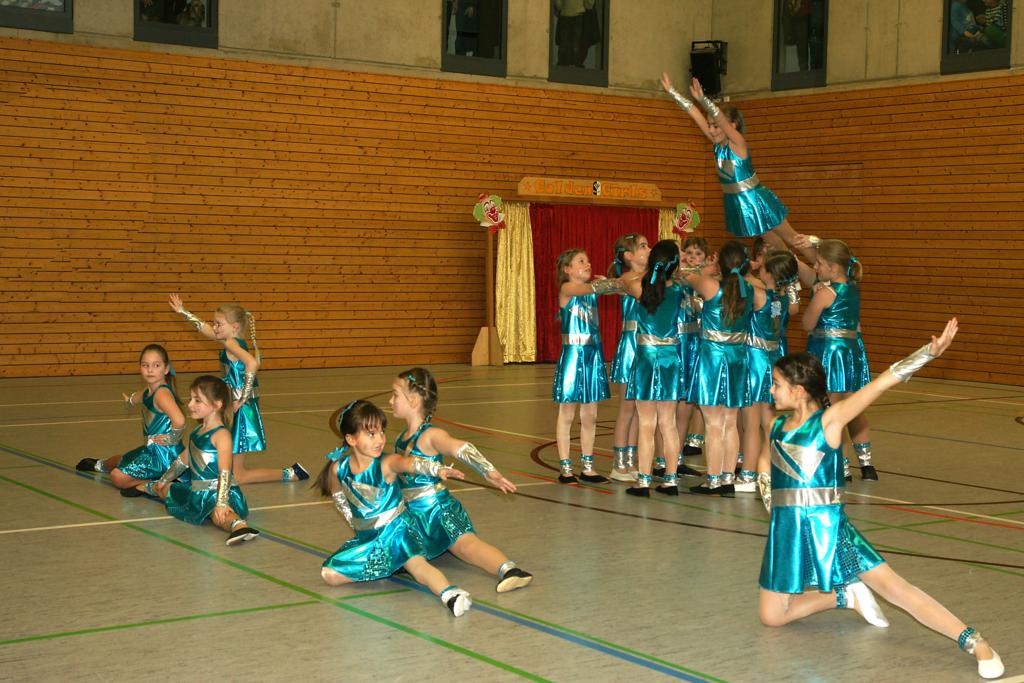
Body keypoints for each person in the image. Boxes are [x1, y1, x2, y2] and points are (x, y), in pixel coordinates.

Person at [758, 320, 1004, 680]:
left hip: (829, 528)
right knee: (771, 616)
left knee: (895, 589)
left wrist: (928, 354)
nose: (771, 390)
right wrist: (770, 498)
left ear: (798, 390)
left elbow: (882, 383)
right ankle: (845, 596)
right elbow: (766, 461)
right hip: (786, 529)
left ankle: (975, 641)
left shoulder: (829, 421)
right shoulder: (776, 425)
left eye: (777, 384)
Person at [314, 400, 473, 616]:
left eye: (382, 432)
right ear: (351, 439)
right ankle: (392, 564)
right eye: (371, 434)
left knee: (418, 566)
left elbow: (410, 463)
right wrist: (356, 524)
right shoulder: (338, 469)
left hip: (398, 531)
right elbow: (339, 498)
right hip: (370, 538)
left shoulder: (386, 463)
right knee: (330, 574)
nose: (380, 439)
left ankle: (451, 594)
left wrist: (436, 469)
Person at [390, 368, 533, 592]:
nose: (391, 400)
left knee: (466, 546)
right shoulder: (401, 437)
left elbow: (460, 447)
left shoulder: (430, 435)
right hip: (413, 514)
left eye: (395, 394)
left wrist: (488, 471)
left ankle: (510, 570)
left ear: (413, 400)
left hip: (437, 511)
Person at [660, 73, 819, 267]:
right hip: (738, 201)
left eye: (716, 126)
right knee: (775, 244)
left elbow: (720, 118)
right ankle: (792, 275)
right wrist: (672, 92)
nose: (711, 130)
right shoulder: (717, 145)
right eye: (710, 126)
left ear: (732, 126)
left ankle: (822, 267)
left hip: (756, 198)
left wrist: (703, 99)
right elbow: (694, 113)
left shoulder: (738, 143)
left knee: (792, 238)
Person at [169, 295, 308, 484]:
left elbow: (252, 363)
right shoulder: (230, 340)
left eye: (219, 324)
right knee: (213, 438)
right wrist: (183, 311)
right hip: (232, 405)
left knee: (238, 476)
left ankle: (290, 473)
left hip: (240, 408)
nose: (215, 327)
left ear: (234, 326)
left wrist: (242, 397)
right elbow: (206, 329)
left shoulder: (231, 343)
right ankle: (193, 471)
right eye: (214, 323)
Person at [681, 240, 762, 495]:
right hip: (738, 357)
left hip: (713, 358)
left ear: (721, 264)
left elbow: (684, 275)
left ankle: (713, 479)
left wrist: (707, 268)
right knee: (729, 421)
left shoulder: (709, 285)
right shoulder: (751, 290)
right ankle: (727, 478)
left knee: (713, 423)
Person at [142, 375, 260, 546]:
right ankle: (147, 488)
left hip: (222, 493)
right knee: (166, 489)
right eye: (191, 399)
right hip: (198, 492)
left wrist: (221, 503)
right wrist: (164, 479)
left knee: (216, 513)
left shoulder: (222, 435)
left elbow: (225, 471)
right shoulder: (196, 431)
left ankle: (239, 526)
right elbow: (183, 461)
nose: (190, 405)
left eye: (197, 400)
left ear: (216, 405)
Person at [800, 240, 878, 480]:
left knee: (832, 411)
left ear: (833, 268)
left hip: (829, 354)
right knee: (853, 409)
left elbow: (807, 324)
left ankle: (841, 466)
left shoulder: (825, 293)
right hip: (851, 352)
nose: (815, 268)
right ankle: (867, 464)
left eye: (819, 264)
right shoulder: (853, 289)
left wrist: (815, 298)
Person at [76, 345, 187, 497]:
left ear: (166, 369)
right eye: (145, 365)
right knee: (121, 460)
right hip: (150, 450)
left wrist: (171, 438)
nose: (150, 370)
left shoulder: (162, 394)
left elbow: (180, 420)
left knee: (117, 477)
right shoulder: (149, 390)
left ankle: (159, 483)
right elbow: (137, 397)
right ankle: (99, 464)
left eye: (156, 365)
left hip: (164, 455)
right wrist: (129, 401)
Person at [621, 240, 686, 497]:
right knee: (668, 423)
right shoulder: (678, 289)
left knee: (646, 423)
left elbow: (624, 279)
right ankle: (671, 479)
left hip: (647, 356)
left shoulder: (638, 286)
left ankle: (644, 481)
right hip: (670, 356)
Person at [551, 249, 621, 484]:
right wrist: (611, 283)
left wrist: (613, 284)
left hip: (592, 355)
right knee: (567, 413)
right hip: (573, 355)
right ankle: (565, 468)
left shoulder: (591, 290)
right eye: (581, 261)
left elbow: (608, 289)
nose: (588, 264)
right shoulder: (568, 288)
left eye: (588, 260)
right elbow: (594, 288)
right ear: (567, 269)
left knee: (590, 415)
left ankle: (588, 467)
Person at [736, 252, 800, 492]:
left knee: (751, 423)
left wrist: (742, 269)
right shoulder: (781, 299)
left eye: (762, 268)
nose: (758, 270)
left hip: (755, 360)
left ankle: (748, 475)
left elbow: (740, 281)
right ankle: (770, 471)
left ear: (770, 274)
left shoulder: (759, 294)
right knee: (767, 422)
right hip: (771, 359)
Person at [607, 234, 651, 482]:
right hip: (632, 345)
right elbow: (644, 294)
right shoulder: (627, 279)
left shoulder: (649, 276)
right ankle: (618, 464)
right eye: (643, 246)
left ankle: (632, 460)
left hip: (647, 344)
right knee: (626, 407)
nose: (649, 249)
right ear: (629, 256)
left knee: (639, 407)